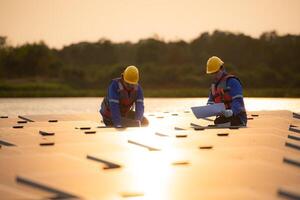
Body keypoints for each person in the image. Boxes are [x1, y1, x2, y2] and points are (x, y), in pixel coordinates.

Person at [206, 56, 247, 126]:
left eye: (216, 73)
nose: (214, 75)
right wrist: (209, 108)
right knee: (217, 122)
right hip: (223, 118)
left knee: (229, 122)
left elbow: (238, 101)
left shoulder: (232, 81)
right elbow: (210, 102)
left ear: (222, 69)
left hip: (238, 117)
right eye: (212, 73)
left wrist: (232, 111)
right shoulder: (213, 86)